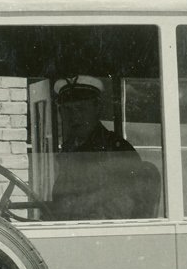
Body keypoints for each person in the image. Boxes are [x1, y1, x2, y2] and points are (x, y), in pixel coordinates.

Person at [49, 77, 154, 220]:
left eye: (81, 108)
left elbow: (121, 209)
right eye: (68, 110)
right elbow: (61, 200)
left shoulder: (116, 149)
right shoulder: (69, 149)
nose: (74, 116)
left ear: (97, 109)